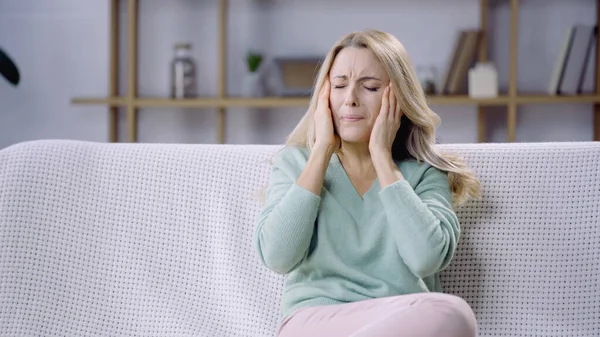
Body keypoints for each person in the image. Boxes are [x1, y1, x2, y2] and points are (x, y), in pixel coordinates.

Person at [254, 29, 482, 337]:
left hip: (400, 319)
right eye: (339, 85)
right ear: (325, 96)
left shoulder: (425, 174)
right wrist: (321, 152)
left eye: (370, 87)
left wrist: (382, 159)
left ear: (398, 98)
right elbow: (278, 257)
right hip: (315, 322)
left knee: (454, 313)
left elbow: (426, 258)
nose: (350, 100)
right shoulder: (295, 164)